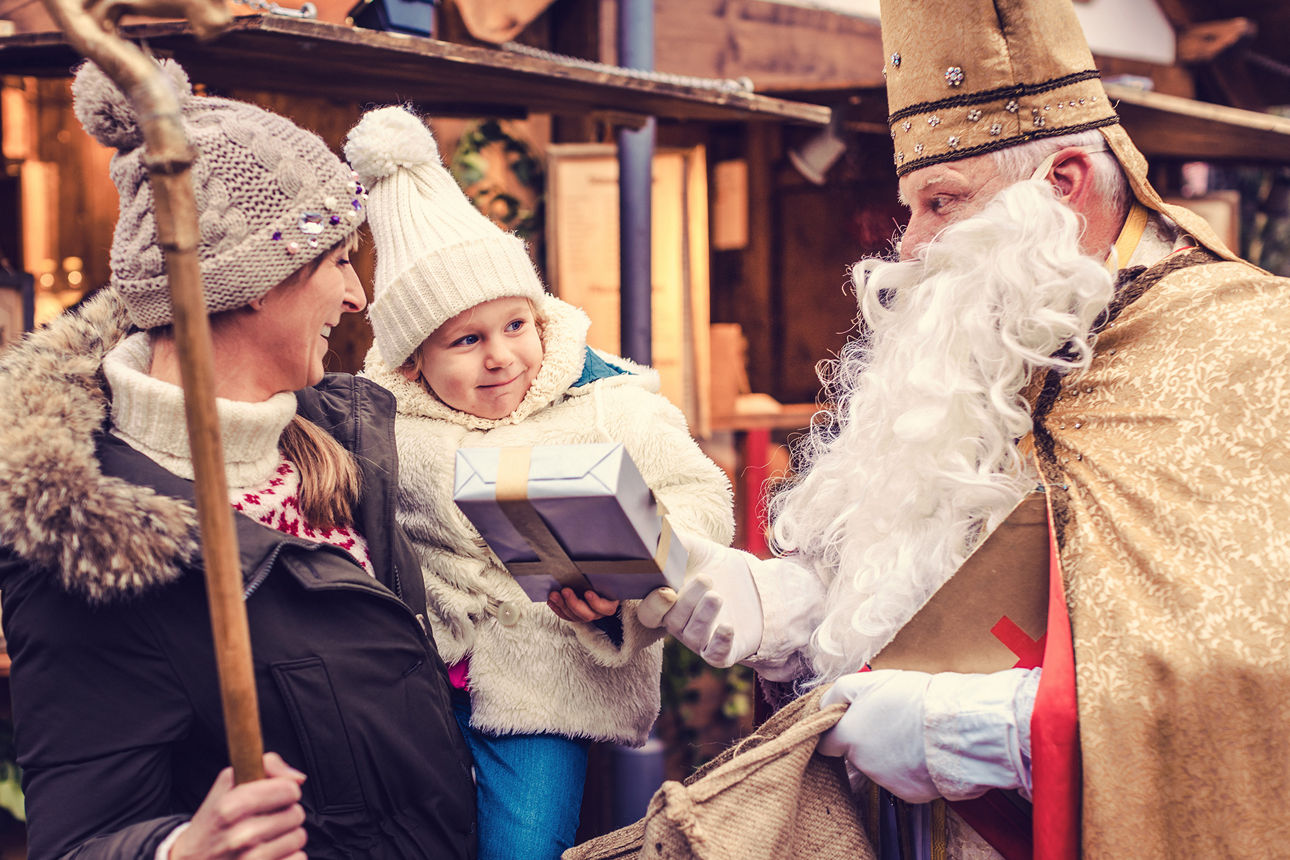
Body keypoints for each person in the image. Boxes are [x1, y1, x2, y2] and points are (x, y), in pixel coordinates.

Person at [639, 0, 1290, 856]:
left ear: (1060, 184)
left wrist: (985, 731)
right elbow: (941, 573)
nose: (908, 247)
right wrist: (786, 609)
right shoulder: (1012, 329)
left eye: (941, 202)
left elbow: (1252, 684)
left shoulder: (1251, 347)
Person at [0, 61, 477, 859]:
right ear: (258, 281)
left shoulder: (337, 440)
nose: (359, 296)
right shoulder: (95, 545)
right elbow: (78, 839)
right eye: (337, 262)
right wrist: (182, 851)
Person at [342, 106, 734, 860]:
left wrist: (629, 576)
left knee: (523, 846)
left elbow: (701, 497)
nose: (501, 357)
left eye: (516, 325)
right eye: (466, 340)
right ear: (411, 359)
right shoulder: (386, 427)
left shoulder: (608, 402)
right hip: (413, 690)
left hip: (547, 686)